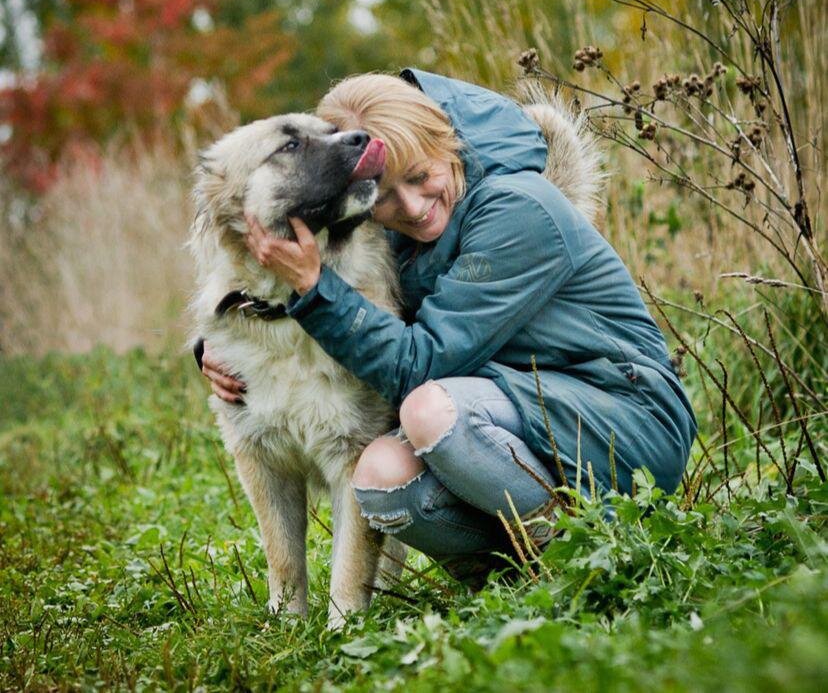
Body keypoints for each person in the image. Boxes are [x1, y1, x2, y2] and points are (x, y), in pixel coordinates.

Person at [201, 68, 697, 574]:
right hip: (511, 414)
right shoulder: (391, 229)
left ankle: (578, 555)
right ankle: (509, 576)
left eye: (419, 177)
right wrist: (231, 340)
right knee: (379, 473)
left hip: (621, 419)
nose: (411, 208)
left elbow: (420, 364)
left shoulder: (520, 210)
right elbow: (356, 316)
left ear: (448, 144)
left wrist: (313, 289)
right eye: (385, 193)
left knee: (427, 412)